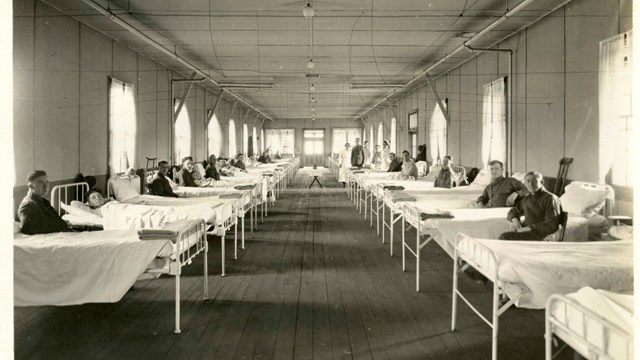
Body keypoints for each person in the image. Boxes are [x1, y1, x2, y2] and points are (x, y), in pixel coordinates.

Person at [499, 171, 563, 241]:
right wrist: (515, 219)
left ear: (542, 182)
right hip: (529, 233)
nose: (531, 184)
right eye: (528, 181)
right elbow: (513, 211)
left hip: (543, 236)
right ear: (525, 183)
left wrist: (530, 228)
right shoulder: (527, 198)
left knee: (504, 237)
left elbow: (552, 225)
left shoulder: (551, 199)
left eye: (534, 181)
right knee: (504, 235)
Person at [18, 170, 72, 234]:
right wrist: (61, 225)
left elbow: (53, 219)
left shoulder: (42, 201)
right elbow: (28, 229)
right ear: (30, 186)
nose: (46, 186)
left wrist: (63, 223)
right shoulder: (28, 205)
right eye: (40, 183)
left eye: (47, 182)